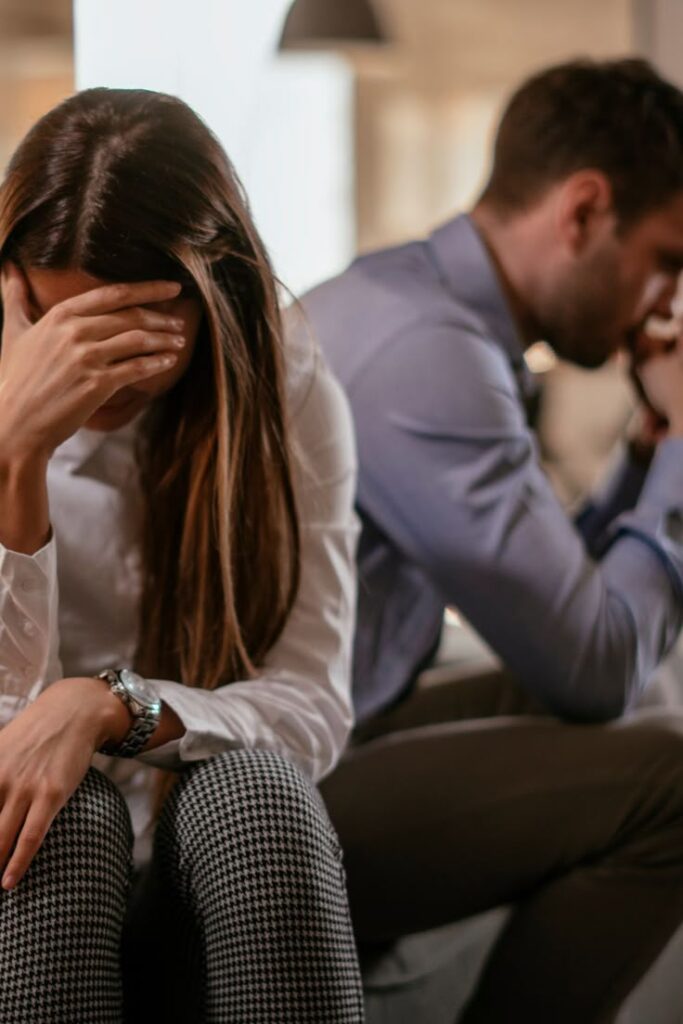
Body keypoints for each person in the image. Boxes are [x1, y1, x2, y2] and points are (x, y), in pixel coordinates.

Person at [293, 58, 683, 1022]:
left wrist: (646, 444)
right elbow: (591, 663)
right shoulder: (430, 354)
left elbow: (556, 597)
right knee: (675, 783)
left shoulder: (417, 303)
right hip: (265, 784)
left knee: (631, 698)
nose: (666, 301)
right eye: (668, 260)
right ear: (583, 211)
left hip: (334, 721)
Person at [0, 88, 364, 1023]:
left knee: (259, 794)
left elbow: (312, 704)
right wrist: (15, 456)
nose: (86, 371)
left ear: (210, 303)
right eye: (53, 323)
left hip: (183, 857)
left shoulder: (283, 386)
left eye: (122, 335)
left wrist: (113, 705)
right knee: (63, 819)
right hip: (31, 864)